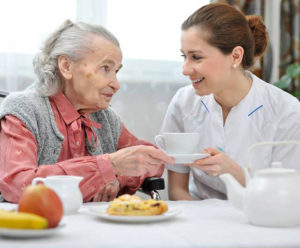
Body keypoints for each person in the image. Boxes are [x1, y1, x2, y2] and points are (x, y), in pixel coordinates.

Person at [0, 20, 174, 203]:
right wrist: (108, 166)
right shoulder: (24, 109)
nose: (116, 84)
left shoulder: (105, 117)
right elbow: (17, 184)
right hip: (38, 226)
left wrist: (117, 176)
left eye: (116, 71)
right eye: (105, 68)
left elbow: (153, 159)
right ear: (66, 66)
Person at [160, 3, 300, 200]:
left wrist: (232, 170)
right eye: (184, 56)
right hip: (197, 218)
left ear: (235, 56)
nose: (185, 69)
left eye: (196, 57)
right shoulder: (183, 102)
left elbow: (286, 196)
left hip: (260, 218)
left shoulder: (286, 111)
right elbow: (178, 191)